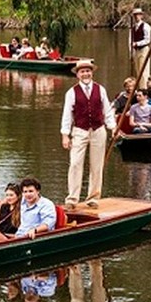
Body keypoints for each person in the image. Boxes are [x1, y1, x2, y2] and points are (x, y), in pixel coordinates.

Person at [60, 59, 116, 210]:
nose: (86, 74)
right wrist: (65, 135)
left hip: (98, 130)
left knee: (97, 165)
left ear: (92, 73)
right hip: (79, 130)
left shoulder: (100, 89)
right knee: (75, 163)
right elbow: (67, 115)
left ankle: (93, 197)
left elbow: (107, 110)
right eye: (82, 71)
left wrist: (113, 127)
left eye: (88, 71)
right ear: (78, 74)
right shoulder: (71, 93)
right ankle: (72, 199)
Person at [129, 8, 151, 88]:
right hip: (136, 51)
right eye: (135, 15)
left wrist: (137, 43)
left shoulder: (146, 26)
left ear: (141, 16)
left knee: (144, 71)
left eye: (138, 15)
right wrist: (131, 54)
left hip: (143, 50)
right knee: (138, 71)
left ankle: (144, 89)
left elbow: (147, 40)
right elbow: (130, 41)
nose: (136, 17)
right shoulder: (133, 27)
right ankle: (140, 88)